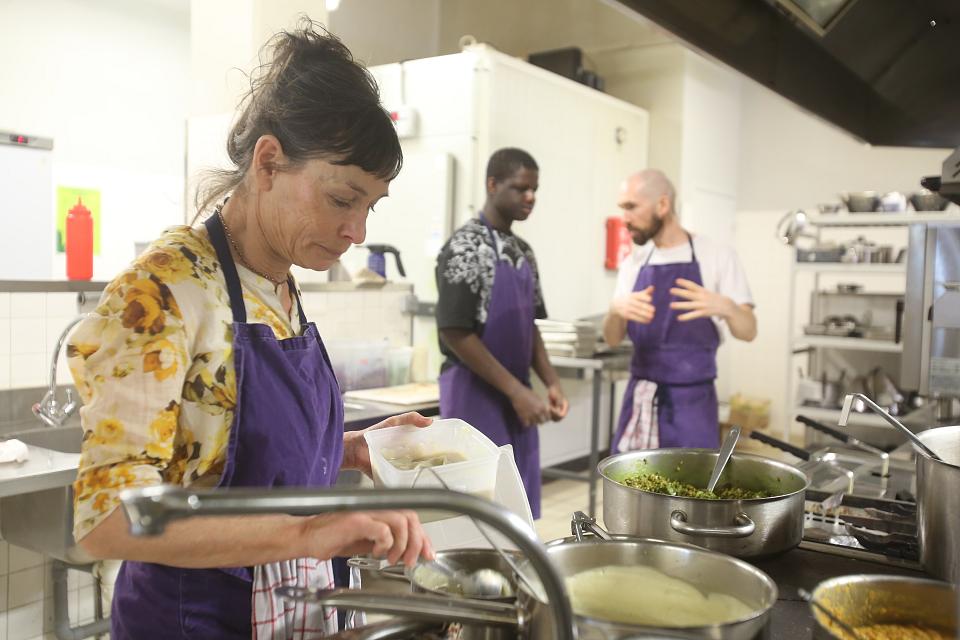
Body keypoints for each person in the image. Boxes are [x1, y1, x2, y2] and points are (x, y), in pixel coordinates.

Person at [66, 22, 433, 639]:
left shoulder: (277, 281)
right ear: (268, 162)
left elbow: (218, 454)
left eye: (370, 207)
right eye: (342, 199)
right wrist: (308, 532)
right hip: (195, 620)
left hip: (291, 606)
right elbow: (108, 520)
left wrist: (346, 449)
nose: (358, 232)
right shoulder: (163, 292)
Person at [435, 148, 569, 519]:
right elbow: (455, 331)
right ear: (492, 185)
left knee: (516, 509)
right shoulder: (464, 248)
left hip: (516, 396)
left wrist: (551, 382)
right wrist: (517, 392)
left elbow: (530, 326)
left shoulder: (523, 252)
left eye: (534, 189)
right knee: (478, 511)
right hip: (474, 395)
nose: (530, 197)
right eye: (521, 188)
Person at [603, 169, 756, 452]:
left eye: (632, 207)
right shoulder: (633, 263)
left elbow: (749, 331)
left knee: (693, 479)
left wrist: (728, 307)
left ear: (663, 204)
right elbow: (612, 339)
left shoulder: (717, 255)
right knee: (634, 479)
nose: (625, 218)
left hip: (693, 407)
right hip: (641, 397)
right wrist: (614, 311)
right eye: (622, 208)